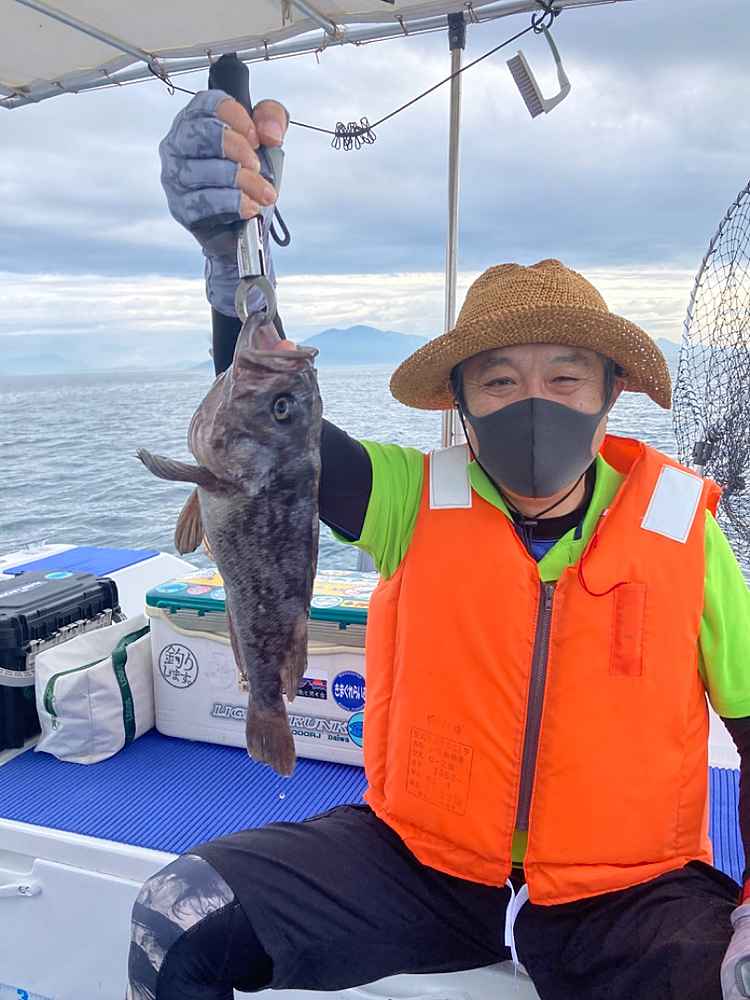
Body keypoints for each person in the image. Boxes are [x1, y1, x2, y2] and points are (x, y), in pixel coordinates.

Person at [127, 90, 750, 1000]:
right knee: (175, 918)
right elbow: (268, 436)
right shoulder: (410, 499)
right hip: (420, 863)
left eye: (565, 377)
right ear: (459, 403)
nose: (532, 403)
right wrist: (231, 262)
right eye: (497, 381)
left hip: (630, 892)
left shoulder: (685, 530)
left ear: (610, 393)